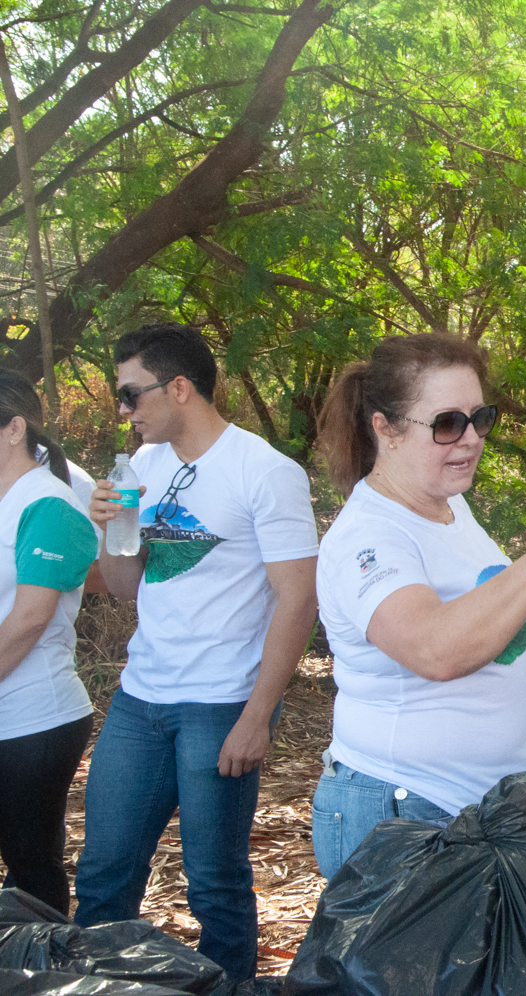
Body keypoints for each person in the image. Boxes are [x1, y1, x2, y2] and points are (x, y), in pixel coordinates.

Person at [75, 323, 321, 983]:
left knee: (214, 881)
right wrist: (110, 530)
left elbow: (298, 599)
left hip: (221, 703)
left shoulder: (265, 472)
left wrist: (256, 715)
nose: (123, 411)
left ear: (178, 387)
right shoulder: (144, 468)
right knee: (104, 871)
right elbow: (127, 588)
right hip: (141, 697)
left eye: (131, 395)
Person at [310, 333, 526, 878]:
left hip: (480, 810)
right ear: (386, 428)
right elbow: (434, 649)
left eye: (481, 418)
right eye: (448, 423)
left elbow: (486, 620)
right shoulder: (367, 536)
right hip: (404, 815)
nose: (470, 440)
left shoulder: (449, 507)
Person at [0, 371, 98, 915]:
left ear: (15, 429)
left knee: (30, 866)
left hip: (32, 721)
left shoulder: (50, 504)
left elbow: (29, 619)